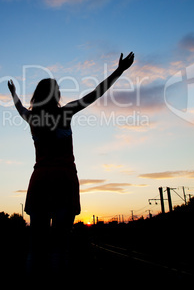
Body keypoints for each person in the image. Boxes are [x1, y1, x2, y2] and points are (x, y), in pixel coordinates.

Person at [8, 52, 134, 274]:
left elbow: (19, 109)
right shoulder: (66, 112)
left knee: (35, 247)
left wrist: (14, 95)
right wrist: (119, 71)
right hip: (64, 180)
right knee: (59, 247)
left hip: (40, 180)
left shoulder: (32, 118)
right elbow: (95, 93)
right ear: (56, 95)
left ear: (37, 96)